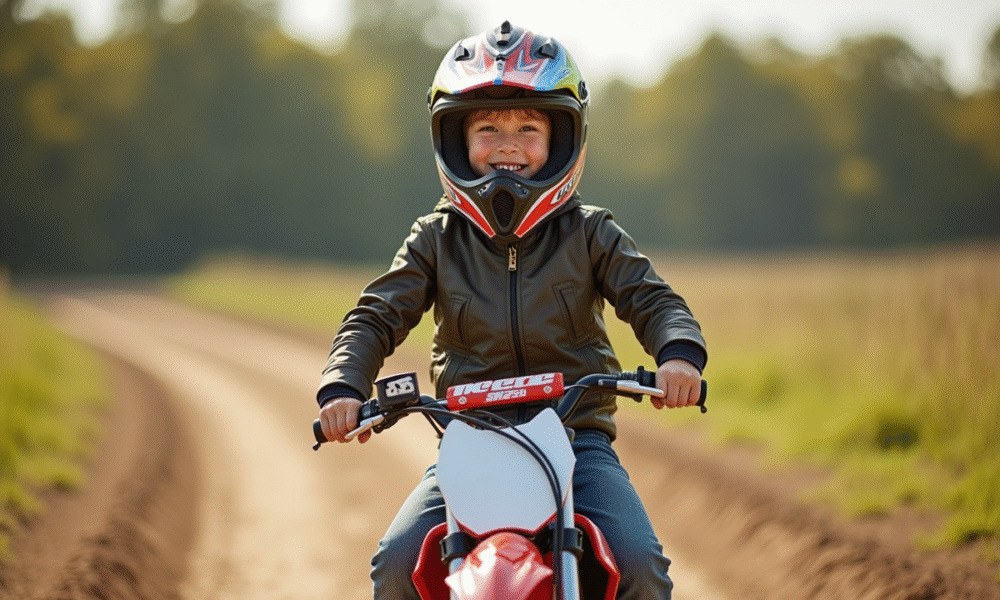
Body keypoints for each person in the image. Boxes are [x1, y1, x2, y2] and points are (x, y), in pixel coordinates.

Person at [316, 21, 707, 600]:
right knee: (395, 565)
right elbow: (375, 316)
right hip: (471, 443)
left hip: (575, 441)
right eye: (487, 127)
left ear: (563, 139)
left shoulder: (591, 231)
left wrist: (677, 355)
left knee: (641, 566)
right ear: (454, 139)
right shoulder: (435, 238)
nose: (508, 144)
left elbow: (653, 298)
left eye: (529, 127)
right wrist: (342, 386)